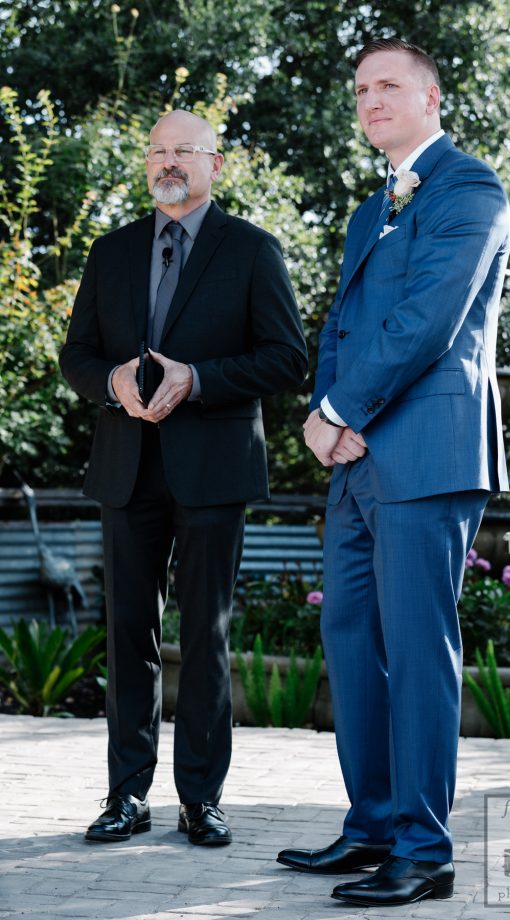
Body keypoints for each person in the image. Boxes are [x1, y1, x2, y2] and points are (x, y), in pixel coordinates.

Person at [277, 38, 510, 906]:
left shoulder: (470, 188)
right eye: (361, 89)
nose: (371, 100)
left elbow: (428, 321)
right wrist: (326, 419)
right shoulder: (368, 208)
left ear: (431, 99)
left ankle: (426, 849)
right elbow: (342, 328)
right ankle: (372, 824)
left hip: (424, 454)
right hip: (354, 463)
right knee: (350, 643)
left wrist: (337, 413)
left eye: (388, 86)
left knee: (417, 653)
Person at [60, 109, 307, 846]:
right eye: (157, 151)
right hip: (125, 467)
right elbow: (76, 356)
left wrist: (197, 378)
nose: (169, 162)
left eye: (184, 151)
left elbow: (287, 359)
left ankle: (201, 798)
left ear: (216, 164)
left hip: (214, 469)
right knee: (127, 635)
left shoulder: (253, 251)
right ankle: (126, 796)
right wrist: (111, 382)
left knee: (206, 634)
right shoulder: (110, 252)